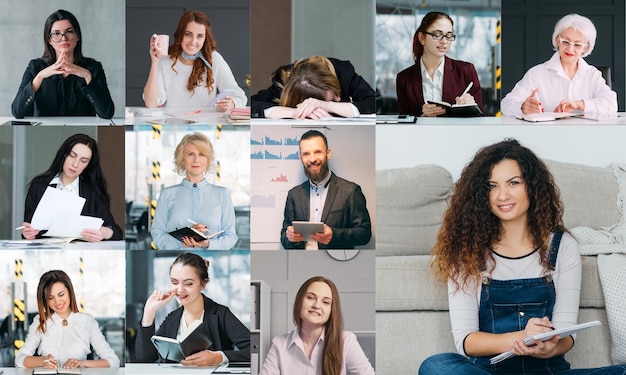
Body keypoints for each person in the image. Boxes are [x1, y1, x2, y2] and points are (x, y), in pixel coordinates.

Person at [418, 139, 626, 374]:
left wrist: (547, 348)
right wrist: (521, 337)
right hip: (488, 372)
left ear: (532, 188)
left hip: (549, 370)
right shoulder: (467, 249)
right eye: (491, 186)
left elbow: (567, 333)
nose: (502, 195)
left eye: (513, 183)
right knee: (437, 367)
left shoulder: (562, 246)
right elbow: (467, 341)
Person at [135, 252, 250, 365]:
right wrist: (149, 312)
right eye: (174, 282)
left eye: (188, 283)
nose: (179, 290)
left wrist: (218, 357)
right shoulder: (172, 318)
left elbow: (255, 349)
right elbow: (144, 358)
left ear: (203, 284)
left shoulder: (221, 314)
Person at [501, 14, 617, 116]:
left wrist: (579, 104)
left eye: (577, 45)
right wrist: (523, 107)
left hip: (586, 135)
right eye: (565, 42)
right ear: (557, 40)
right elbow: (506, 105)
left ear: (585, 47)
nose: (570, 49)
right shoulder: (536, 74)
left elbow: (611, 104)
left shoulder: (592, 74)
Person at [259, 276, 374, 375]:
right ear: (299, 301)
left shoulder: (346, 340)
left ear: (331, 310)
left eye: (326, 302)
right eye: (310, 297)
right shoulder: (279, 344)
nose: (316, 305)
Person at [12, 9, 114, 119]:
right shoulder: (35, 67)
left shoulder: (93, 67)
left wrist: (87, 76)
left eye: (69, 31)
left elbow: (106, 113)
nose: (63, 38)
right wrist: (40, 76)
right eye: (56, 33)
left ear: (77, 36)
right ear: (49, 40)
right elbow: (17, 112)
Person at [21, 133, 122, 242]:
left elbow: (116, 231)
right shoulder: (39, 186)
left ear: (88, 165)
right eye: (72, 156)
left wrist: (103, 232)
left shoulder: (92, 192)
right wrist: (28, 234)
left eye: (83, 161)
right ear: (64, 155)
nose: (75, 164)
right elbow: (28, 228)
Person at [281, 130, 371, 249]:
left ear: (328, 153)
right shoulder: (294, 194)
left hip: (336, 263)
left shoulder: (351, 191)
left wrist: (334, 235)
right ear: (300, 157)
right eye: (306, 154)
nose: (312, 159)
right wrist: (290, 238)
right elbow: (284, 237)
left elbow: (364, 234)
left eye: (318, 152)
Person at [15, 270, 120, 369]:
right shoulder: (40, 321)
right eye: (51, 298)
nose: (57, 302)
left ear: (70, 292)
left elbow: (113, 361)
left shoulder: (87, 321)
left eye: (61, 295)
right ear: (45, 300)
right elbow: (19, 359)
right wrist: (42, 361)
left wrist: (82, 363)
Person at [143, 10, 246, 110]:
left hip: (206, 126)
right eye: (188, 34)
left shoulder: (214, 59)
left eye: (200, 36)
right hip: (173, 126)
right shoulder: (165, 59)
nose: (193, 42)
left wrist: (231, 104)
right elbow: (151, 103)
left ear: (205, 38)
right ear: (180, 34)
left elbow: (240, 96)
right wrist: (155, 62)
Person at [150, 132, 237, 250]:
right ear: (182, 159)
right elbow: (157, 234)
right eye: (190, 154)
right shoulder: (167, 194)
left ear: (207, 160)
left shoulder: (222, 194)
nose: (196, 159)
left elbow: (231, 237)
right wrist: (183, 241)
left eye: (201, 154)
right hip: (178, 257)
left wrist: (206, 244)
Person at [396, 11, 483, 117]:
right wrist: (423, 116)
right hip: (421, 134)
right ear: (422, 38)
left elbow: (482, 117)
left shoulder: (466, 71)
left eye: (449, 36)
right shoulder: (404, 78)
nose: (444, 41)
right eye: (437, 35)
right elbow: (404, 123)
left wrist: (471, 107)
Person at [251, 55, 376, 119]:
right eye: (332, 100)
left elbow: (373, 103)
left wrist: (328, 105)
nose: (339, 99)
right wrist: (296, 112)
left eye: (336, 93)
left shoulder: (343, 72)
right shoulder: (285, 81)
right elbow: (252, 104)